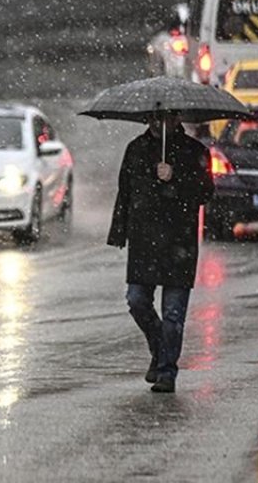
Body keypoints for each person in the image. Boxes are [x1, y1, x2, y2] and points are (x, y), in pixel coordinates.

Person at [107, 111, 213, 393]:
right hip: (144, 241)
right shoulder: (136, 149)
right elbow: (125, 192)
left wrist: (175, 177)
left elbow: (205, 192)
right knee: (137, 301)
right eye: (155, 117)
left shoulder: (195, 151)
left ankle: (167, 371)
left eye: (166, 118)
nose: (159, 123)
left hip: (180, 242)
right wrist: (119, 232)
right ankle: (159, 348)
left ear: (177, 118)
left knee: (173, 314)